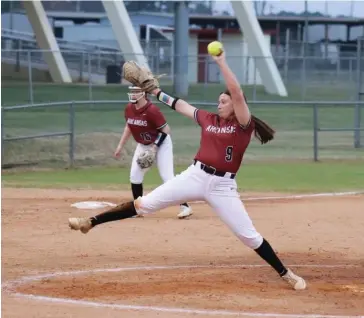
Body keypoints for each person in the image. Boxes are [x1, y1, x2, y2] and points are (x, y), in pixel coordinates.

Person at [69, 52, 306, 290]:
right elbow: (180, 105)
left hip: (223, 186)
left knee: (249, 236)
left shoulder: (243, 124)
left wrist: (221, 62)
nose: (219, 104)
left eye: (223, 101)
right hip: (195, 176)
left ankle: (286, 273)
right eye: (218, 101)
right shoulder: (208, 118)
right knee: (144, 205)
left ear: (235, 105)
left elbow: (237, 92)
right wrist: (155, 92)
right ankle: (90, 222)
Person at [113, 86, 192, 219]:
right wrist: (120, 146)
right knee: (135, 176)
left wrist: (154, 148)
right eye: (132, 91)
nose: (133, 94)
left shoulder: (151, 110)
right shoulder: (129, 108)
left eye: (136, 91)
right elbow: (129, 126)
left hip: (161, 144)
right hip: (143, 145)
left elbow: (166, 129)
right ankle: (138, 209)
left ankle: (185, 207)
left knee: (167, 178)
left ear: (144, 93)